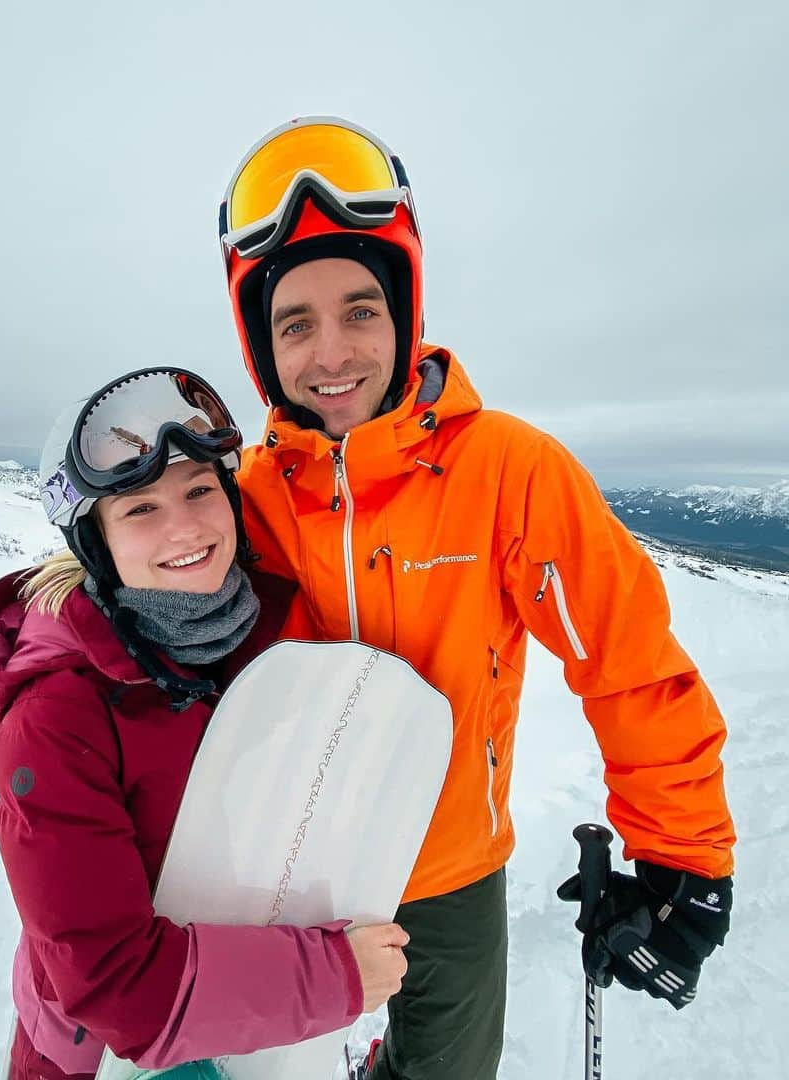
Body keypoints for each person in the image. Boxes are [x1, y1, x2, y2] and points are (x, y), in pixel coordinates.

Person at [217, 117, 736, 1079]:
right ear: (261, 346)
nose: (332, 351)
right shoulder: (244, 501)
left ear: (404, 313)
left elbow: (627, 661)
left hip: (449, 874)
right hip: (287, 874)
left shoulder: (503, 468)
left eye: (360, 310)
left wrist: (683, 859)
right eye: (296, 322)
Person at [0, 366, 410, 1080]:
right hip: (102, 1061)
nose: (184, 526)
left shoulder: (271, 642)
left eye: (200, 490)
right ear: (96, 542)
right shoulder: (57, 721)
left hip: (262, 1041)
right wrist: (334, 976)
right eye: (139, 508)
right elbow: (113, 983)